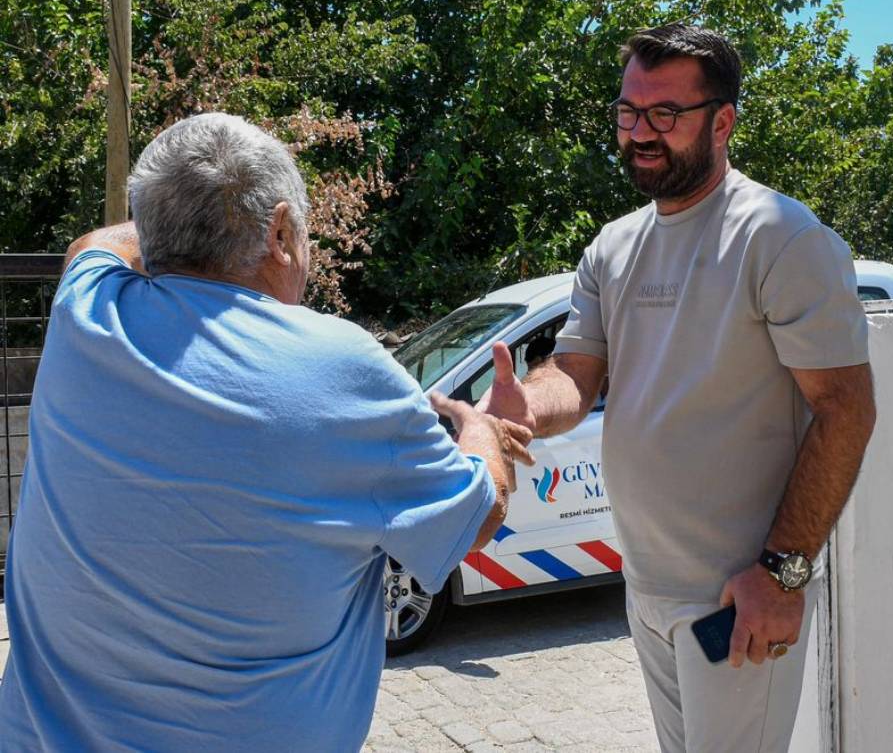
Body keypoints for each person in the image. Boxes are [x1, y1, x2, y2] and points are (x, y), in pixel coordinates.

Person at [0, 113, 529, 752]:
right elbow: (477, 514)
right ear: (280, 231)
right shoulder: (344, 368)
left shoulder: (87, 313)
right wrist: (482, 433)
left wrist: (178, 216)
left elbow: (92, 243)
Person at [478, 23, 876, 752]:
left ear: (722, 120)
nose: (640, 133)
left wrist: (783, 574)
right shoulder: (614, 244)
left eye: (666, 114)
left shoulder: (779, 237)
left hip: (738, 598)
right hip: (647, 589)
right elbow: (576, 370)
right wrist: (523, 406)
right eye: (628, 112)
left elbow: (847, 408)